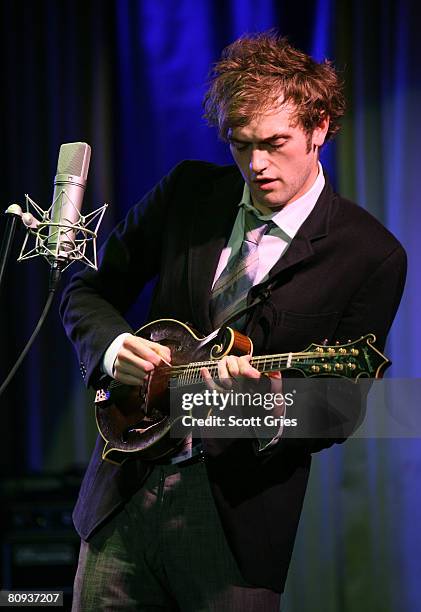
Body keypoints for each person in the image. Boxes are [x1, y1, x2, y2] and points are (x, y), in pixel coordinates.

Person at [60, 31, 407, 611]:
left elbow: (343, 410)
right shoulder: (188, 193)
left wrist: (270, 401)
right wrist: (111, 345)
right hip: (122, 491)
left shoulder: (370, 253)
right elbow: (88, 289)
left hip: (235, 520)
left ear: (320, 127)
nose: (257, 165)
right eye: (241, 145)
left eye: (276, 142)